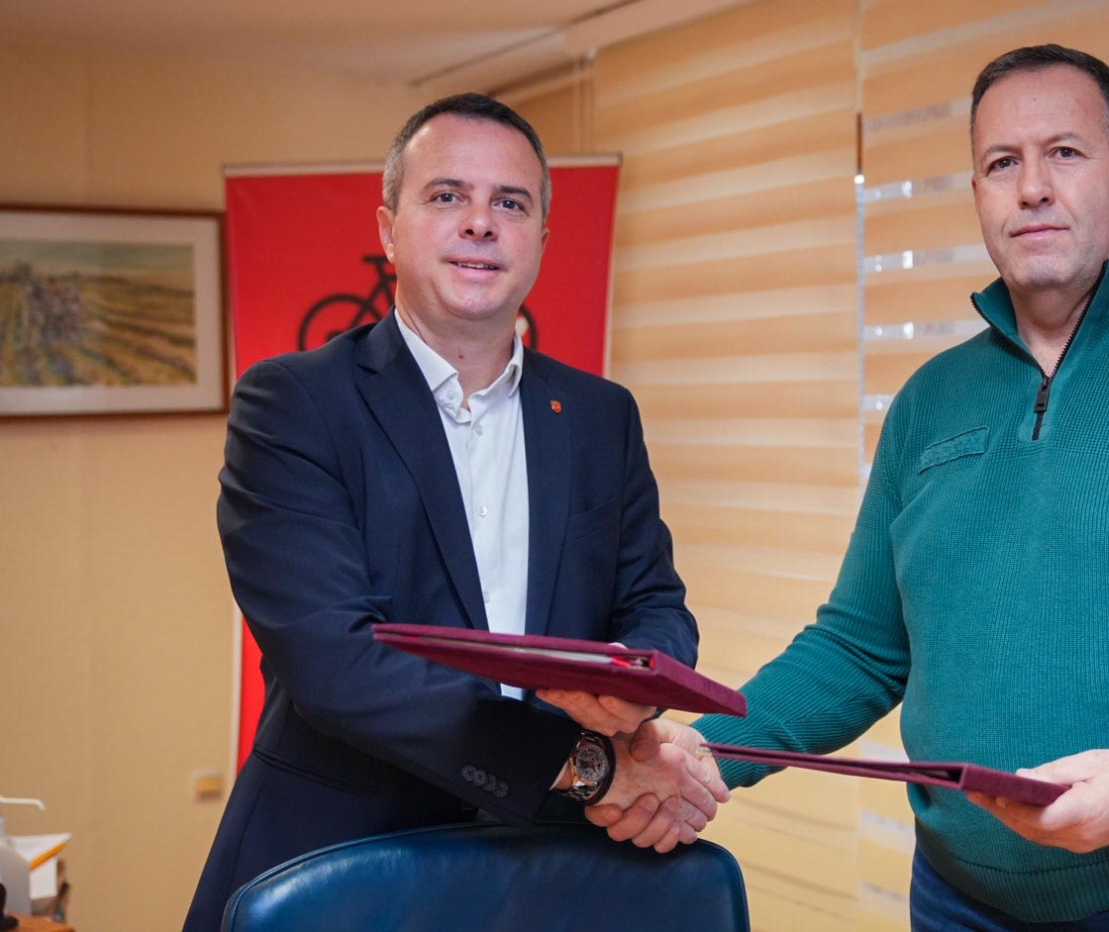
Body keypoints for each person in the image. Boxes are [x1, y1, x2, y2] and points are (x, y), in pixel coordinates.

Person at [594, 46, 1109, 930]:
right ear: (978, 193)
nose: (1031, 188)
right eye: (1001, 163)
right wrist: (704, 749)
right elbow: (863, 646)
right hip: (964, 903)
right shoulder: (929, 402)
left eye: (1064, 152)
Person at [184, 94, 726, 932]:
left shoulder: (600, 416)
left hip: (554, 868)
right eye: (447, 196)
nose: (480, 222)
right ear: (388, 228)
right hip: (340, 867)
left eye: (510, 202)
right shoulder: (294, 404)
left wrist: (630, 702)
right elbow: (336, 661)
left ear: (540, 239)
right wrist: (587, 766)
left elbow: (655, 604)